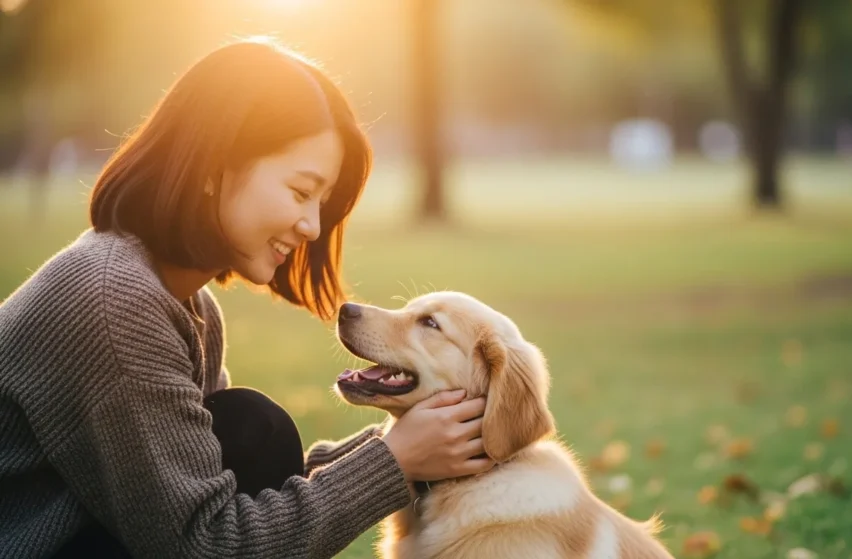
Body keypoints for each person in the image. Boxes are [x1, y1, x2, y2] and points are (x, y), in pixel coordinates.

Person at [0, 38, 494, 558]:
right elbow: (207, 543)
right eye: (301, 191)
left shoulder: (187, 307)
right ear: (217, 167)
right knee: (256, 428)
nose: (312, 225)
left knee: (249, 436)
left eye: (323, 203)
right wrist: (393, 461)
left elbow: (210, 490)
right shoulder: (112, 300)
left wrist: (410, 447)